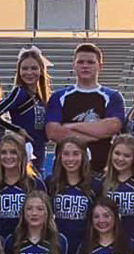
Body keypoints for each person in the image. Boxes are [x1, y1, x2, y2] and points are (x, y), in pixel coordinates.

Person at [45, 43, 125, 172]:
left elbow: (112, 127)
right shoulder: (59, 96)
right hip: (65, 171)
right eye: (81, 62)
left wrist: (71, 126)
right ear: (74, 65)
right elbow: (53, 132)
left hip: (102, 169)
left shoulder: (112, 96)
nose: (85, 66)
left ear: (100, 66)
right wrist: (95, 135)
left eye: (91, 62)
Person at [46, 136, 101, 254]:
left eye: (76, 154)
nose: (71, 159)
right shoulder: (51, 183)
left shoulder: (95, 185)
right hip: (58, 244)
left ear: (84, 156)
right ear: (59, 157)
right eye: (66, 154)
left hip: (84, 243)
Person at [0, 46, 52, 172]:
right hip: (22, 149)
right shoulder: (20, 92)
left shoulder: (40, 97)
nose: (29, 72)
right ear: (19, 71)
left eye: (34, 68)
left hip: (39, 149)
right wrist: (17, 130)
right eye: (24, 68)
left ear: (41, 70)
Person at [0, 132, 47, 238]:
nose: (8, 156)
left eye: (13, 152)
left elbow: (45, 220)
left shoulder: (35, 184)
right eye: (4, 152)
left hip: (25, 246)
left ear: (22, 154)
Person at [101, 135, 134, 241]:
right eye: (117, 153)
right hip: (109, 241)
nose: (120, 159)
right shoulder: (101, 182)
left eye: (127, 156)